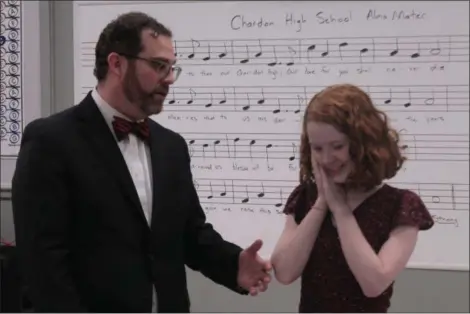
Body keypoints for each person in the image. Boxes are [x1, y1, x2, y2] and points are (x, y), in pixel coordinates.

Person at [11, 12, 271, 313]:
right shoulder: (52, 140)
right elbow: (43, 261)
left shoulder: (172, 147)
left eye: (173, 68)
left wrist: (233, 264)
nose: (170, 78)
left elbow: (190, 235)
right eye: (159, 66)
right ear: (117, 64)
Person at [270, 84, 434, 312]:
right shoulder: (305, 197)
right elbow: (284, 272)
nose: (326, 159)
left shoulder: (401, 206)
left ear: (363, 142)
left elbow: (374, 283)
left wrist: (341, 210)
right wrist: (320, 205)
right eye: (317, 148)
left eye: (337, 146)